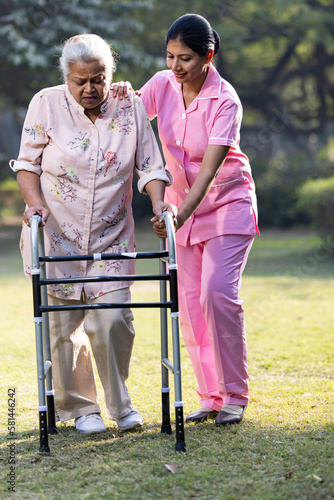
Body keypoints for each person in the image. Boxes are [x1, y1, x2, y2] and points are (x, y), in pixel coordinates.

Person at [10, 34, 174, 434]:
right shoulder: (45, 104)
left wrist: (158, 204)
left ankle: (121, 405)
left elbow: (150, 165)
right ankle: (82, 410)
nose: (89, 89)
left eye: (98, 79)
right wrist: (35, 205)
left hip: (111, 236)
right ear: (66, 77)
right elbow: (27, 164)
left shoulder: (130, 105)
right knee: (64, 329)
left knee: (112, 318)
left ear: (109, 74)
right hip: (56, 233)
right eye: (79, 81)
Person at [114, 13, 259, 426]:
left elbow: (210, 172)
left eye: (186, 59)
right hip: (179, 210)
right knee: (191, 306)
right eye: (170, 56)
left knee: (217, 295)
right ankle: (210, 396)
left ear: (208, 56)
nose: (176, 67)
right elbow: (129, 120)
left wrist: (176, 213)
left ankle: (235, 395)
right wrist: (120, 93)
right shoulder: (163, 84)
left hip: (227, 205)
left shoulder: (225, 100)